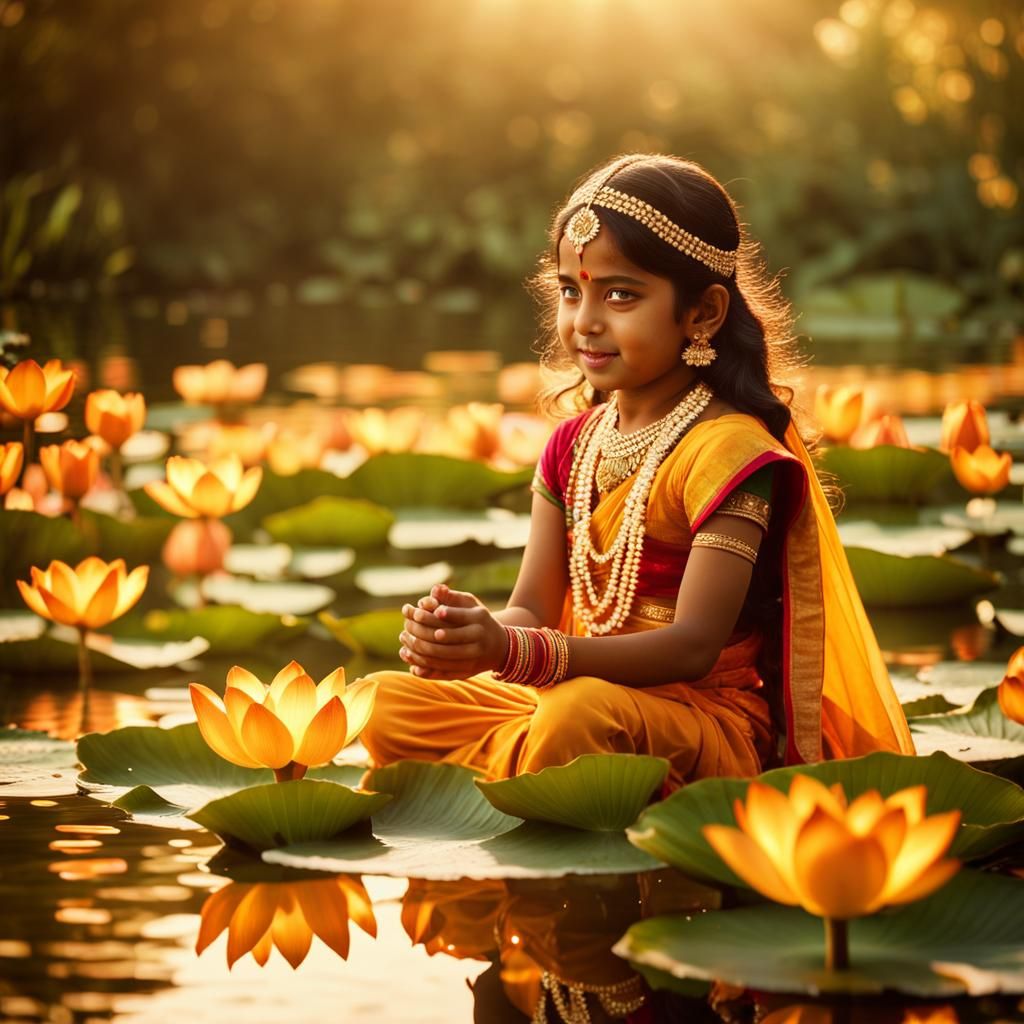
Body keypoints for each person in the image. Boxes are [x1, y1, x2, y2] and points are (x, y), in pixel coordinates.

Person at [359, 153, 914, 790]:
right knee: (383, 703)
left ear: (703, 313)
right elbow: (532, 610)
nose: (585, 322)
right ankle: (524, 780)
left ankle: (516, 781)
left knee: (576, 720)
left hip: (699, 718)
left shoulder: (730, 450)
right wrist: (473, 637)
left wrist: (512, 653)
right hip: (575, 692)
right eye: (571, 291)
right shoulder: (571, 446)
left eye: (620, 294)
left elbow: (693, 646)